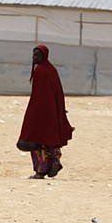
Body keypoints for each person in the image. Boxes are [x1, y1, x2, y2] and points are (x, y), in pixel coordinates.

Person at [17, 45, 73, 178]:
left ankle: (40, 171)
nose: (34, 58)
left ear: (44, 56)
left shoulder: (40, 71)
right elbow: (58, 93)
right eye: (33, 55)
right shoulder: (51, 70)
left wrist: (32, 115)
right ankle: (54, 162)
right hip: (52, 112)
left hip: (40, 112)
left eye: (37, 55)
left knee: (37, 139)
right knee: (49, 139)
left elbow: (38, 96)